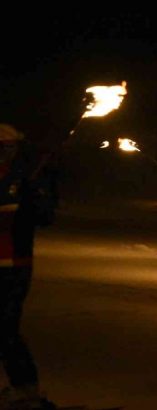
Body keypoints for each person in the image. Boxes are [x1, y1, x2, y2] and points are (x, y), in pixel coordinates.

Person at [0, 124, 58, 409]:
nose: (3, 152)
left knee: (5, 329)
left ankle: (27, 389)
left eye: (7, 147)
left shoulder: (26, 178)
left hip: (13, 264)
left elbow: (44, 218)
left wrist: (33, 197)